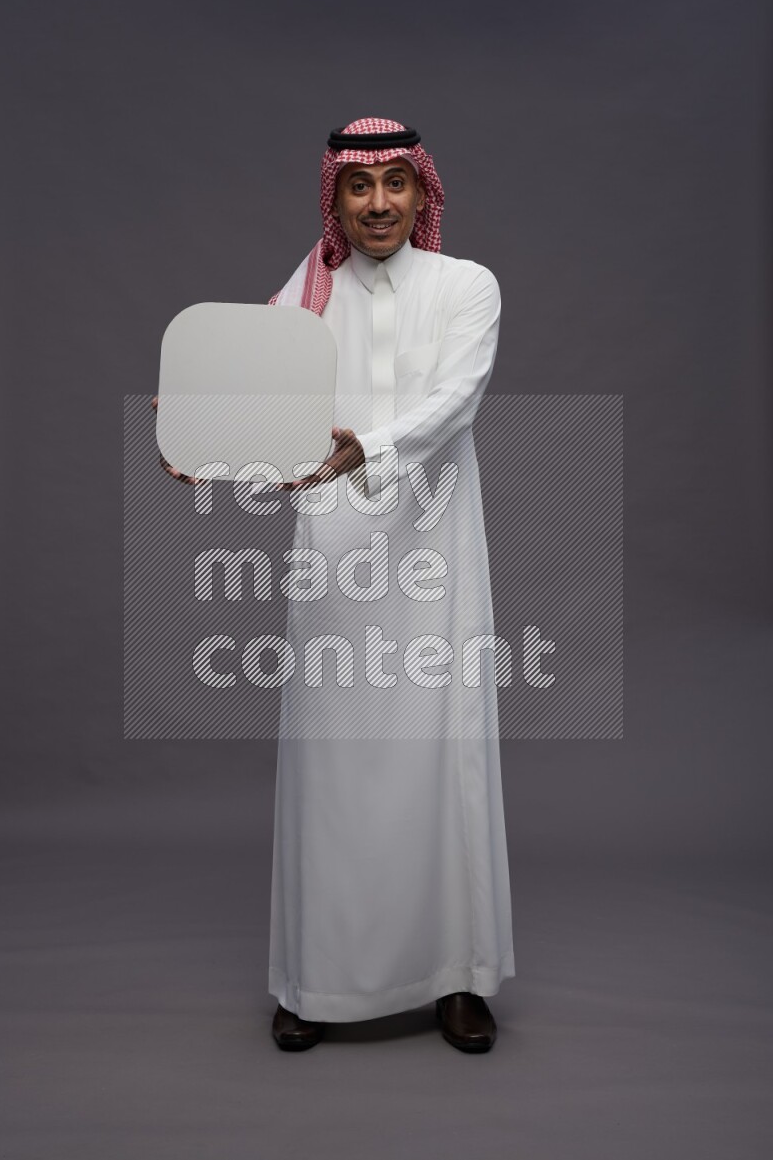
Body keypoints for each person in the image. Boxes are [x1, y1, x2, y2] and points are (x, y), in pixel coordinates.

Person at [264, 118, 515, 1053]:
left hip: (435, 547)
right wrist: (200, 441)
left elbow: (456, 397)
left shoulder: (467, 286)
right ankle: (312, 980)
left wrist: (363, 446)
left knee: (443, 755)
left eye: (395, 184)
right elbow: (257, 406)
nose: (378, 204)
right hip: (331, 553)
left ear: (423, 193)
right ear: (333, 197)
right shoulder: (306, 290)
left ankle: (458, 977)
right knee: (330, 767)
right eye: (358, 187)